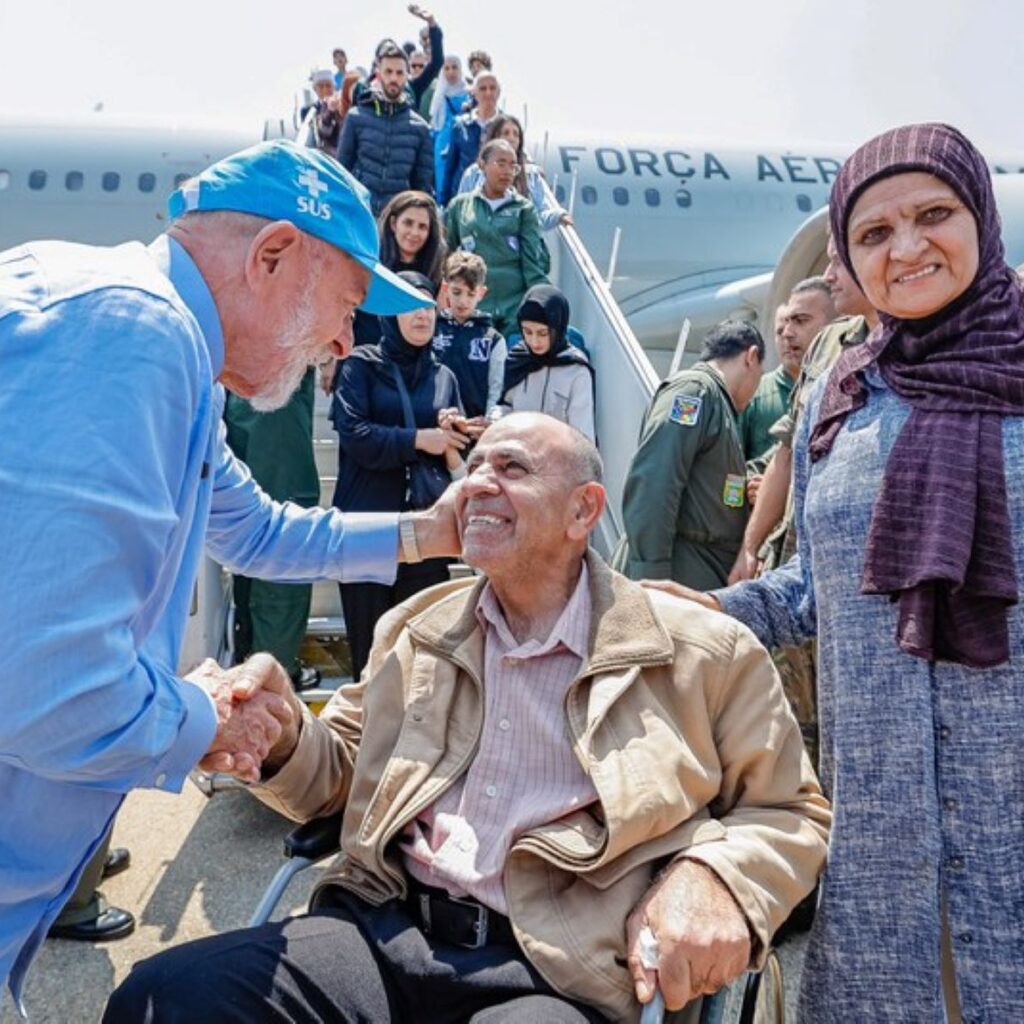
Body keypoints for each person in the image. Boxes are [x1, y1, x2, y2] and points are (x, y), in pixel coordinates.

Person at [106, 411, 830, 1024]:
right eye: (474, 464)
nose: (477, 481)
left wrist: (714, 875)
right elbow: (337, 777)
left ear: (584, 510)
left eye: (512, 468)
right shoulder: (414, 629)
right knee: (161, 1001)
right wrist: (283, 732)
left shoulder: (701, 651)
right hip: (388, 924)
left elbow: (789, 811)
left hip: (561, 967)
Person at [0, 139, 460, 1005]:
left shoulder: (164, 347)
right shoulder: (134, 337)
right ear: (274, 255)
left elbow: (253, 530)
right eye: (347, 305)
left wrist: (423, 532)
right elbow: (48, 687)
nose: (341, 341)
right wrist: (205, 718)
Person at [658, 123, 1024, 1022]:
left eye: (933, 214)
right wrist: (708, 607)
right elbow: (816, 590)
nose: (907, 248)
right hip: (882, 824)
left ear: (979, 214)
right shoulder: (839, 395)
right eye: (873, 233)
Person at [331, 272, 465, 680]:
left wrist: (457, 433)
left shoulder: (445, 377)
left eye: (427, 306)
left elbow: (453, 450)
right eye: (410, 307)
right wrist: (420, 439)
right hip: (367, 526)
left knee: (422, 657)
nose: (422, 316)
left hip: (425, 529)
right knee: (371, 655)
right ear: (390, 315)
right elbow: (356, 435)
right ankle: (366, 741)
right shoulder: (360, 364)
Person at [612, 320, 765, 591]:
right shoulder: (694, 391)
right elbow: (655, 479)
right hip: (673, 574)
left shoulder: (719, 405)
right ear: (751, 357)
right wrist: (652, 575)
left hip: (695, 575)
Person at [224, 368, 322, 692]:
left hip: (252, 388)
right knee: (285, 548)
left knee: (252, 540)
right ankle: (274, 674)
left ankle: (251, 662)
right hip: (275, 394)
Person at [444, 139, 548, 335]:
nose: (508, 171)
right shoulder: (460, 206)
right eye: (501, 163)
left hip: (513, 309)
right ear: (482, 165)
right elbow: (445, 255)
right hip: (472, 306)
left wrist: (544, 302)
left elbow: (532, 264)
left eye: (513, 166)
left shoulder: (524, 209)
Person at [738, 278, 834, 465]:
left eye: (801, 321)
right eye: (780, 331)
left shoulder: (848, 387)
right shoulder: (754, 394)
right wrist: (747, 489)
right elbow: (730, 465)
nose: (787, 335)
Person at [346, 189, 447, 353]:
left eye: (422, 227)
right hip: (363, 357)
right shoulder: (369, 264)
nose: (414, 233)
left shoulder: (433, 272)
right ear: (394, 223)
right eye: (408, 223)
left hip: (412, 363)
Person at [337, 42, 433, 215]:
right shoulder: (356, 117)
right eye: (388, 72)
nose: (393, 78)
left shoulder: (420, 128)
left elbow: (422, 188)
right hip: (360, 215)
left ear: (407, 76)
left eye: (399, 73)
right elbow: (341, 172)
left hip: (397, 221)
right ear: (378, 74)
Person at [495, 285, 594, 441]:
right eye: (527, 332)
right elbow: (506, 406)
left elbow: (582, 433)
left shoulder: (576, 369)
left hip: (558, 459)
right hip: (518, 455)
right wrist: (493, 419)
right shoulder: (517, 359)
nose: (534, 341)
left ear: (557, 328)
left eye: (543, 333)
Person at [458, 114, 572, 232]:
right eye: (506, 133)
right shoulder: (474, 173)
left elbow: (538, 216)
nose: (511, 138)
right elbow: (461, 210)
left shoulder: (531, 176)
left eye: (516, 134)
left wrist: (559, 215)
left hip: (517, 245)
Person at [433, 250, 507, 418]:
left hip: (476, 429)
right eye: (457, 292)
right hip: (435, 428)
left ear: (481, 293)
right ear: (445, 288)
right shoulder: (432, 330)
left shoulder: (493, 339)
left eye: (471, 294)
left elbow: (497, 390)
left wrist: (489, 424)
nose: (463, 301)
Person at [439, 71, 501, 205]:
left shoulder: (506, 126)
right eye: (483, 88)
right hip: (463, 198)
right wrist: (444, 203)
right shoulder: (460, 125)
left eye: (492, 88)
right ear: (474, 92)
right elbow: (450, 166)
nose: (488, 93)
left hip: (494, 201)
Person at [430, 55, 471, 194]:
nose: (451, 72)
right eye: (446, 68)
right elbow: (434, 124)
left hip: (462, 145)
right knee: (441, 184)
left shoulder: (469, 95)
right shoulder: (439, 94)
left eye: (454, 67)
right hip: (441, 144)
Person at [305, 68, 344, 155]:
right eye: (321, 86)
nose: (325, 89)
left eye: (328, 85)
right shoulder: (313, 110)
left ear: (334, 87)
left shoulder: (341, 104)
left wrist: (330, 111)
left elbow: (326, 130)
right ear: (315, 89)